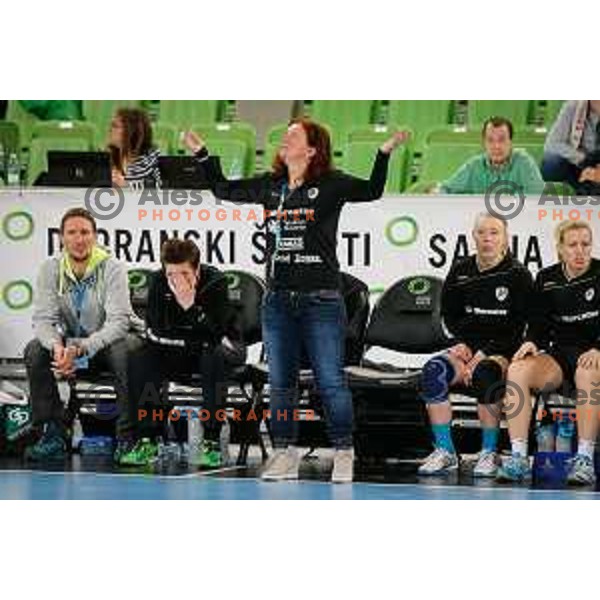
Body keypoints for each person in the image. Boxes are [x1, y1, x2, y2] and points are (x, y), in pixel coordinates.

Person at [183, 118, 408, 483]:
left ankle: (344, 452)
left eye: (293, 135)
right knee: (282, 381)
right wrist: (203, 155)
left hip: (321, 299)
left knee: (330, 380)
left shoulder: (331, 185)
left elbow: (372, 190)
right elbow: (223, 189)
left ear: (312, 149)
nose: (283, 139)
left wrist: (383, 154)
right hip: (277, 301)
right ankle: (285, 452)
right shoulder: (271, 186)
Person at [418, 213, 533, 477]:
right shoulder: (461, 270)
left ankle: (489, 453)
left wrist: (483, 354)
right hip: (466, 350)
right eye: (482, 233)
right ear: (474, 237)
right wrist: (458, 344)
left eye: (494, 232)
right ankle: (446, 452)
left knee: (485, 374)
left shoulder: (518, 275)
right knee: (434, 371)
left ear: (505, 238)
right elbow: (447, 315)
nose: (487, 239)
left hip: (501, 353)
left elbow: (519, 329)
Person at [122, 239, 245, 467]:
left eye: (185, 274)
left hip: (224, 350)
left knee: (213, 355)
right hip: (179, 350)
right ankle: (146, 438)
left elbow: (217, 333)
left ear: (197, 268)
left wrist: (191, 307)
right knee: (140, 357)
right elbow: (155, 330)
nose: (177, 280)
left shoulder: (215, 282)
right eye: (171, 274)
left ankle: (211, 442)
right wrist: (192, 337)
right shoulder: (158, 281)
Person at [23, 207, 135, 460]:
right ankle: (53, 433)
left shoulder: (113, 267)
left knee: (122, 351)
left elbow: (118, 323)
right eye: (71, 232)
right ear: (62, 238)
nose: (79, 238)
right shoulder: (50, 269)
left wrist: (81, 349)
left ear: (95, 236)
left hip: (105, 344)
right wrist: (57, 348)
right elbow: (43, 320)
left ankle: (128, 438)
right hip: (71, 347)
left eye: (85, 232)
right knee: (35, 350)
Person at [497, 221, 600, 485]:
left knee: (587, 371)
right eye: (572, 245)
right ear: (560, 249)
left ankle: (585, 459)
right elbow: (539, 325)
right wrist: (531, 341)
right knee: (518, 369)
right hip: (560, 355)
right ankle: (519, 458)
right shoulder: (546, 278)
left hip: (593, 354)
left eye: (585, 244)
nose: (580, 251)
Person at [439, 116, 545, 195]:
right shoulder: (474, 165)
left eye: (502, 140)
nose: (496, 146)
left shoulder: (524, 163)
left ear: (511, 142)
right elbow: (446, 189)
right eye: (490, 140)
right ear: (484, 143)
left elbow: (536, 197)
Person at [542, 100, 600, 194]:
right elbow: (552, 144)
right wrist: (583, 159)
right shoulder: (573, 106)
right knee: (552, 163)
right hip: (579, 165)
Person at [108, 107, 161, 188]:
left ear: (131, 131)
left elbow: (159, 188)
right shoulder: (108, 158)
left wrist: (127, 186)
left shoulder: (152, 158)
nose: (110, 129)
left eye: (115, 126)